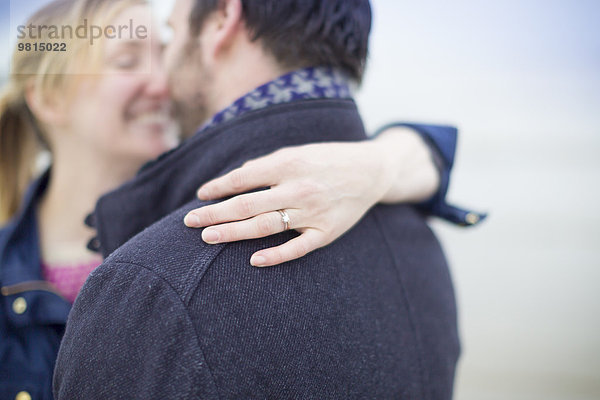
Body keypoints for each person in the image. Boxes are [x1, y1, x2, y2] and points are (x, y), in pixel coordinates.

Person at [0, 0, 481, 399]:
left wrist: (387, 163)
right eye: (127, 61)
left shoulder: (156, 278)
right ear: (48, 98)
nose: (162, 80)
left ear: (223, 20)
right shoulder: (418, 239)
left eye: (165, 46)